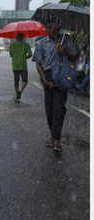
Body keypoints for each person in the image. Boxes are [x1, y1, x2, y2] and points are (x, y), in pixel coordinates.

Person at [32, 22, 78, 152]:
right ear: (47, 28)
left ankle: (56, 139)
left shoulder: (66, 40)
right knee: (49, 109)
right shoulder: (42, 43)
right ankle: (53, 135)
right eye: (50, 27)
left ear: (59, 28)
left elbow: (74, 56)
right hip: (47, 77)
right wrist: (45, 80)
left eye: (56, 26)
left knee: (59, 108)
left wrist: (65, 52)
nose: (53, 29)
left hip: (62, 77)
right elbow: (38, 63)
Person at [9, 33, 32, 103]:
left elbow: (11, 55)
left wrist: (16, 57)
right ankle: (20, 91)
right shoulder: (26, 45)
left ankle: (17, 94)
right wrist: (25, 57)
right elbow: (30, 54)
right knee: (25, 81)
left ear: (16, 38)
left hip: (15, 66)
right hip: (23, 66)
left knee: (16, 81)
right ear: (23, 38)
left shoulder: (12, 45)